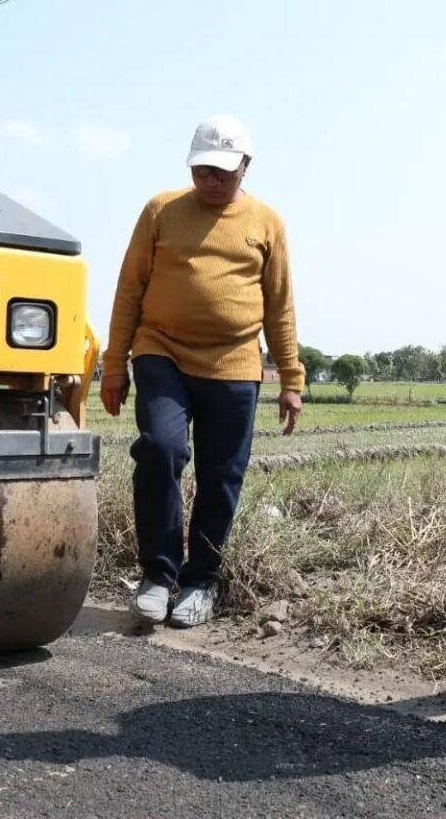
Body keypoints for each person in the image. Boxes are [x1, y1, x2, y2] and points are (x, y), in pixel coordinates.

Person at [100, 114, 305, 628]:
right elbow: (130, 290)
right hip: (160, 349)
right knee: (162, 449)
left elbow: (279, 306)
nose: (210, 182)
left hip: (235, 361)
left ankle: (200, 582)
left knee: (221, 476)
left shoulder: (267, 224)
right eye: (202, 172)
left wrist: (292, 379)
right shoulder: (161, 210)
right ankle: (158, 576)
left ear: (246, 168)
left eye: (222, 173)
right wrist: (112, 367)